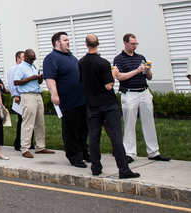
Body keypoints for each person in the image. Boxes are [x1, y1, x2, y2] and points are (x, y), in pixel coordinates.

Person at [79, 34, 140, 179]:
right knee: (116, 137)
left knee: (94, 137)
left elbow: (82, 82)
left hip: (91, 105)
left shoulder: (81, 62)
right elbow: (108, 86)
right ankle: (123, 169)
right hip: (108, 105)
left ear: (86, 44)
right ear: (98, 44)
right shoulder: (103, 63)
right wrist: (112, 73)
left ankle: (96, 167)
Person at [113, 33, 170, 162]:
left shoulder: (141, 57)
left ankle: (153, 152)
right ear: (125, 43)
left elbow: (149, 77)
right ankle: (130, 153)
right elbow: (120, 77)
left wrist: (147, 70)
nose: (134, 46)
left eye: (136, 43)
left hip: (144, 92)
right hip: (129, 93)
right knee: (129, 124)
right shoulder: (118, 59)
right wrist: (137, 71)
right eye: (132, 44)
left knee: (149, 121)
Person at [43, 31, 89, 168]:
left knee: (83, 128)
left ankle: (84, 152)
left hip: (81, 99)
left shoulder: (71, 57)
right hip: (67, 100)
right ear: (57, 42)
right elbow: (50, 78)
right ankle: (74, 156)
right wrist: (54, 94)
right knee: (71, 129)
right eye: (65, 40)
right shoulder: (51, 58)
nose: (68, 42)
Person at [13, 49, 54, 158]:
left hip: (37, 94)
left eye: (34, 59)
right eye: (31, 59)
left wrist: (39, 78)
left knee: (40, 122)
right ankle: (25, 148)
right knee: (28, 122)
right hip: (28, 95)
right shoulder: (21, 67)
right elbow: (16, 82)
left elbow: (37, 81)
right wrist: (31, 78)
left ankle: (40, 147)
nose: (32, 61)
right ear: (26, 57)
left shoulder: (33, 67)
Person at [7, 50, 32, 152]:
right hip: (19, 97)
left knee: (30, 120)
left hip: (28, 96)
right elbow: (12, 83)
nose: (25, 59)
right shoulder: (13, 69)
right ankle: (18, 143)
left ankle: (29, 142)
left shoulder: (27, 67)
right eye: (23, 57)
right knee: (22, 120)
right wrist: (15, 95)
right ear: (18, 58)